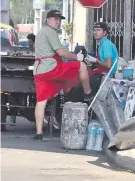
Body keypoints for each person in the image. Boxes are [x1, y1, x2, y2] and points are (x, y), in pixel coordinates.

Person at [33, 10, 92, 141]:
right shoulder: (50, 31)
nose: (58, 22)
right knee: (81, 66)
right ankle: (88, 94)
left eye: (59, 20)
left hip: (39, 71)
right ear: (48, 20)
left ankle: (38, 133)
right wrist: (76, 57)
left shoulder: (41, 32)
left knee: (41, 101)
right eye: (55, 19)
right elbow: (61, 53)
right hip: (51, 68)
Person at [69, 22, 118, 102]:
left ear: (105, 33)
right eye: (94, 30)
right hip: (101, 73)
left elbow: (109, 65)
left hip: (105, 76)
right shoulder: (101, 44)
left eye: (98, 30)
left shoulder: (106, 44)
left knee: (77, 90)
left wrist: (96, 60)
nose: (95, 32)